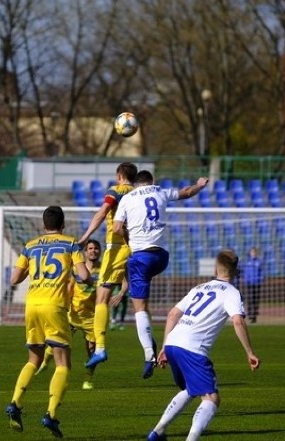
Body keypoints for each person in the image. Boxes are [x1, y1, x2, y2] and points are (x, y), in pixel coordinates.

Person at [147, 250, 260, 441]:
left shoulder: (199, 287)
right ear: (235, 270)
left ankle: (157, 432)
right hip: (192, 348)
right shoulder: (232, 293)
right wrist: (250, 352)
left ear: (216, 268)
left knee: (191, 390)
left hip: (173, 343)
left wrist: (165, 347)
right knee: (211, 398)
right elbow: (238, 322)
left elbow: (173, 314)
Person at [112, 170, 209, 378]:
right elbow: (185, 192)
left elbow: (116, 227)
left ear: (135, 184)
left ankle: (149, 353)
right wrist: (200, 185)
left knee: (139, 307)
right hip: (161, 257)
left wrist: (129, 236)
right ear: (151, 182)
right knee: (142, 291)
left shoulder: (127, 198)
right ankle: (149, 339)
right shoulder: (161, 192)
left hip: (140, 258)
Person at [5, 206, 90, 438]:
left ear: (44, 225)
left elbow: (14, 279)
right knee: (63, 363)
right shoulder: (71, 243)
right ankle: (51, 415)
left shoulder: (30, 245)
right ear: (63, 225)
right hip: (54, 306)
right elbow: (83, 276)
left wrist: (29, 272)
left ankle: (15, 402)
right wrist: (88, 278)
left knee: (34, 358)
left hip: (31, 305)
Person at [78, 162, 138, 370]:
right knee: (140, 302)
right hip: (137, 247)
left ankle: (100, 348)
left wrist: (85, 237)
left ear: (119, 175)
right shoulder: (140, 193)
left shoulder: (115, 190)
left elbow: (102, 213)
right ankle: (150, 353)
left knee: (101, 299)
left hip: (117, 247)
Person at [37, 239, 105, 389]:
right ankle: (45, 362)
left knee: (93, 351)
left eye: (96, 248)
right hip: (73, 313)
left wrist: (120, 293)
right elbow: (69, 286)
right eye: (90, 248)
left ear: (100, 251)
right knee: (56, 338)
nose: (93, 251)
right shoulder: (77, 269)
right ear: (85, 252)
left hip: (92, 317)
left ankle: (88, 379)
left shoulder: (103, 270)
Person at [241, 247, 264, 323]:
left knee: (256, 299)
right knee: (250, 299)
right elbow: (245, 272)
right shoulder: (247, 262)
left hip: (257, 283)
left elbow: (261, 272)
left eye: (254, 252)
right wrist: (245, 280)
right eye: (252, 252)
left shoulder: (259, 262)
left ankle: (254, 315)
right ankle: (250, 314)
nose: (253, 254)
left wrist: (260, 280)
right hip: (249, 283)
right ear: (250, 253)